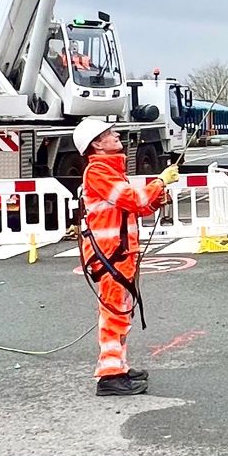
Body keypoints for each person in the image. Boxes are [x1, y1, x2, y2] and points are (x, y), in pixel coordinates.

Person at [74, 116, 179, 396]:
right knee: (114, 314)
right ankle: (109, 375)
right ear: (97, 144)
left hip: (118, 255)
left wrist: (158, 195)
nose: (116, 135)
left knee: (120, 312)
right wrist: (159, 181)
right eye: (110, 133)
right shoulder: (99, 171)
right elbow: (134, 200)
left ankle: (117, 367)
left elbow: (139, 206)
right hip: (111, 256)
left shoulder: (110, 170)